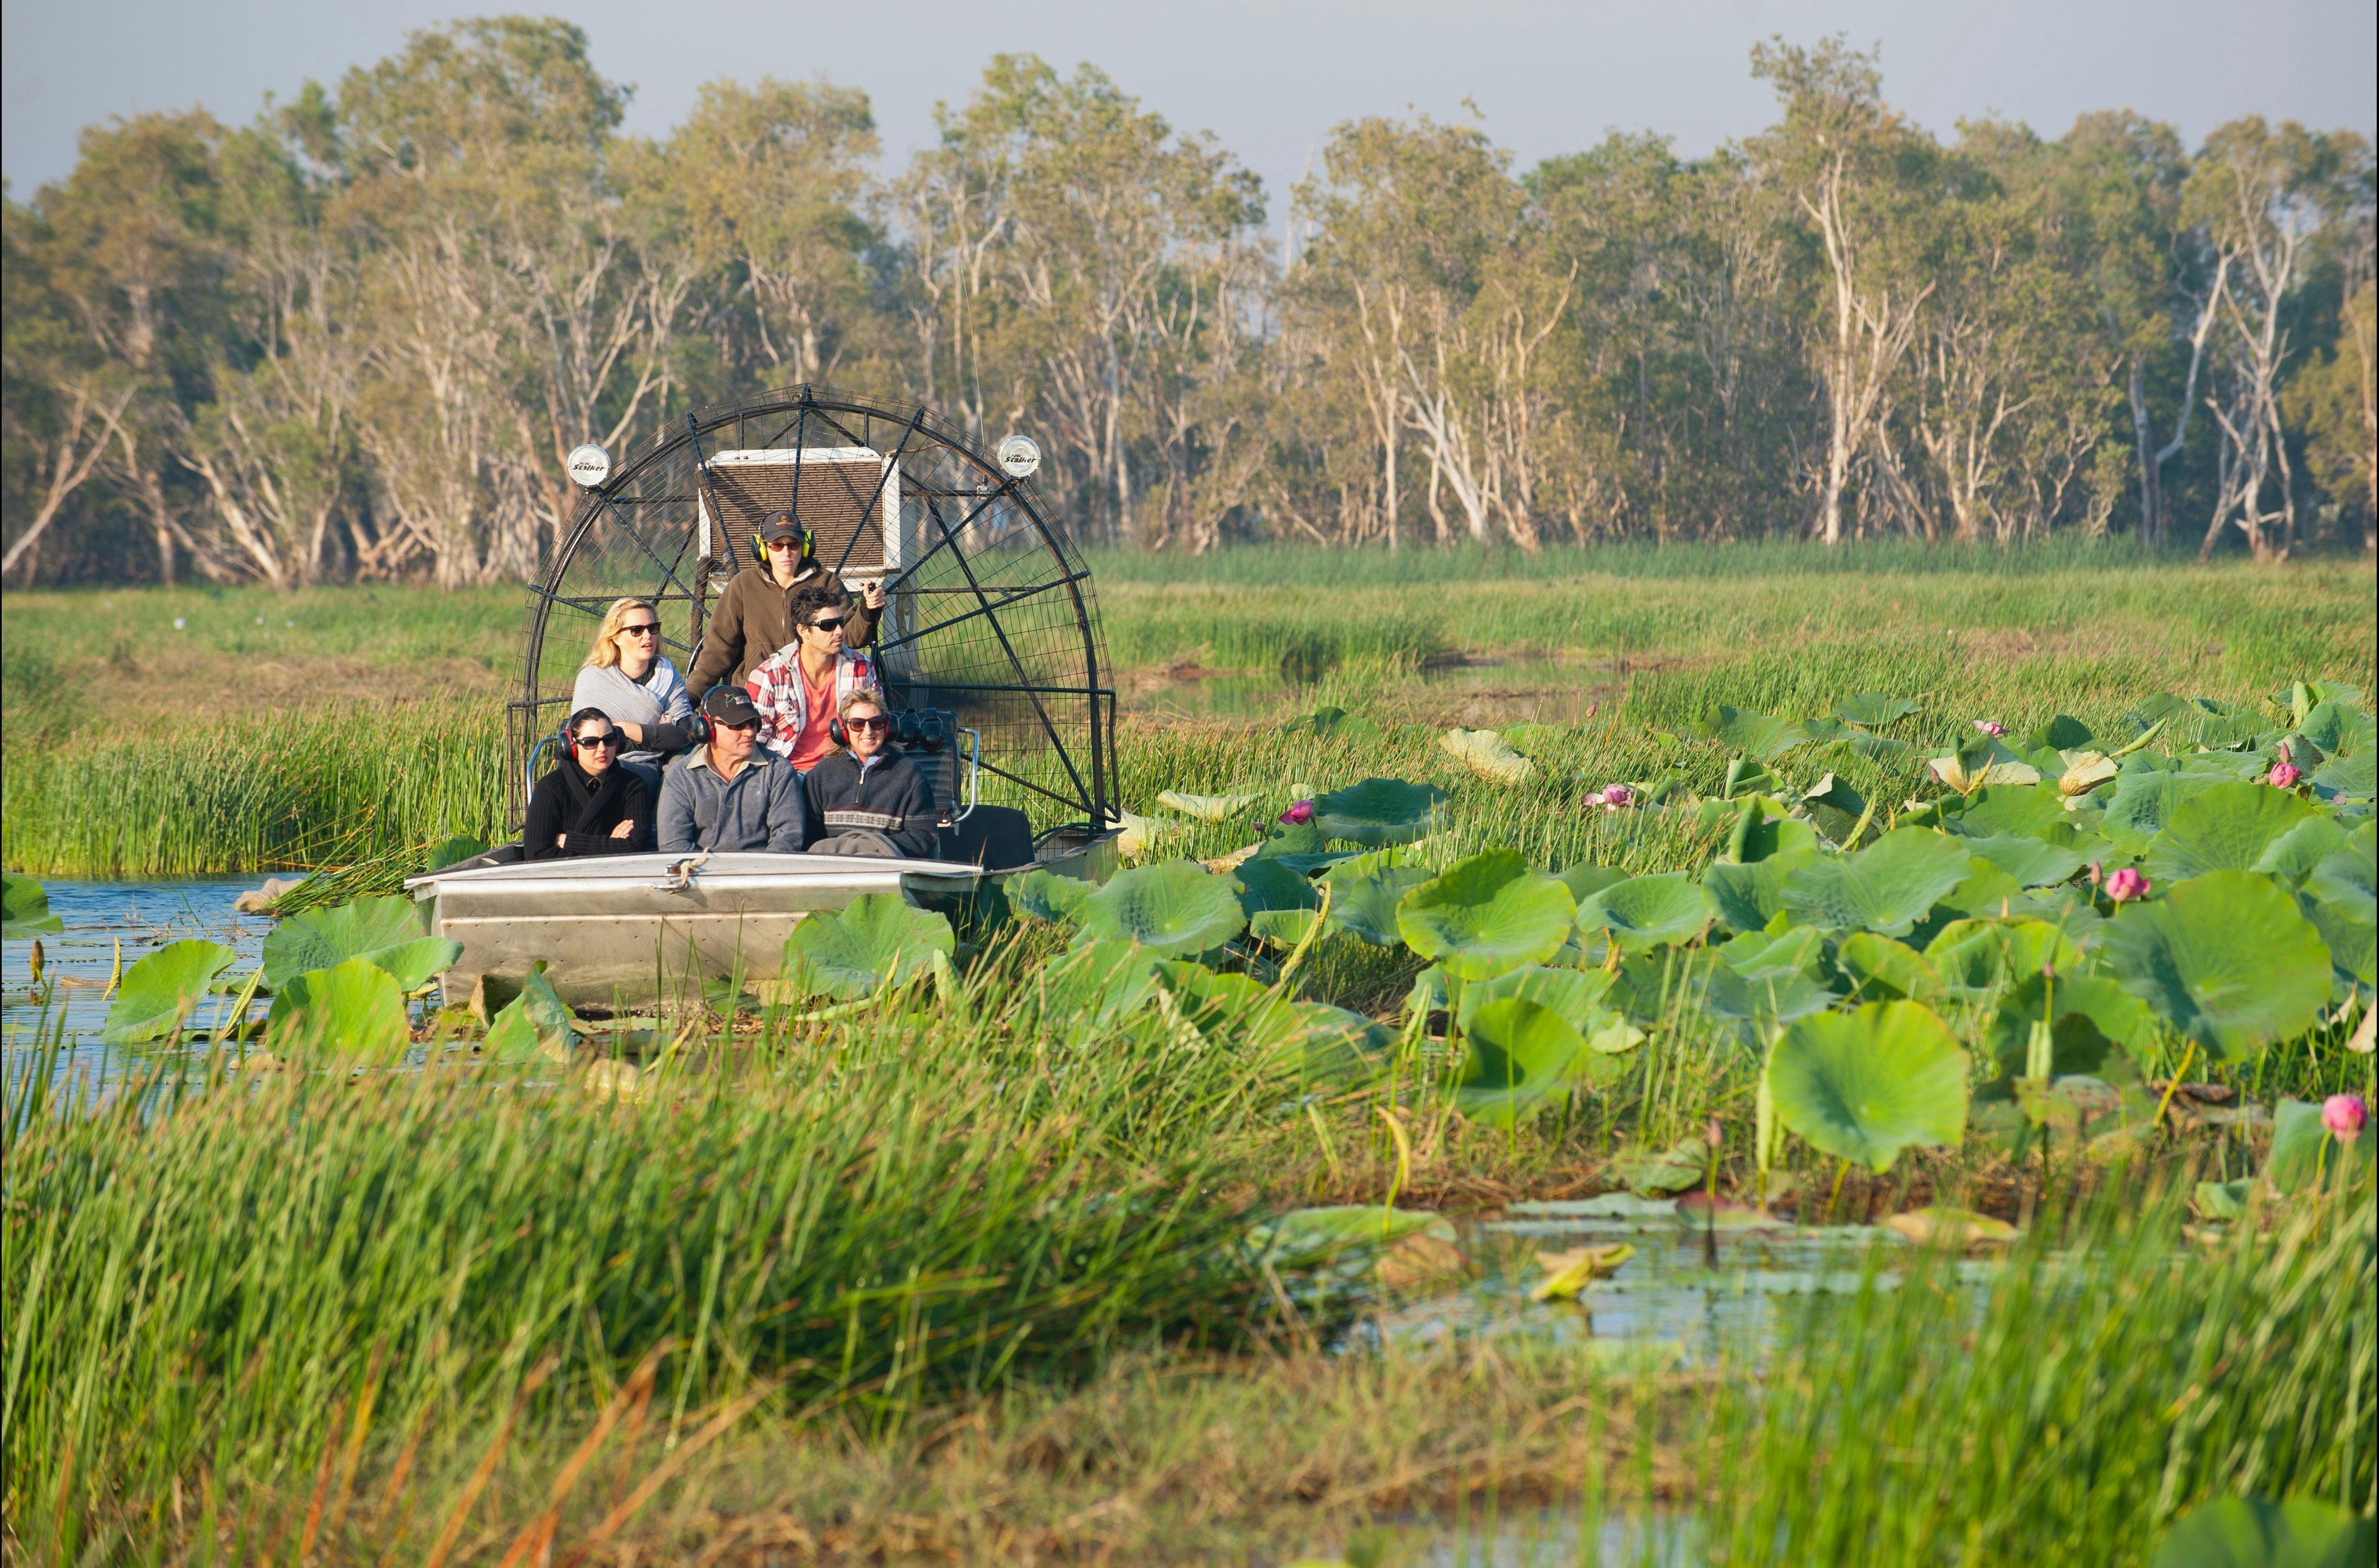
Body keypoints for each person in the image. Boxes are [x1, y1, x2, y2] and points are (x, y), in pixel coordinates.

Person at [686, 508, 884, 697]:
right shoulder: (743, 585)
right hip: (757, 692)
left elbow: (848, 637)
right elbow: (717, 650)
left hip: (813, 690)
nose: (786, 552)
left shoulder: (826, 582)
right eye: (777, 546)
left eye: (794, 544)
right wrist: (691, 697)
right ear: (762, 549)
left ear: (806, 547)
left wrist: (867, 609)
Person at [745, 581, 881, 771]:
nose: (840, 631)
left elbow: (878, 725)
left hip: (847, 769)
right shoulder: (770, 675)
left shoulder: (861, 667)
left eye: (841, 623)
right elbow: (753, 741)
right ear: (803, 631)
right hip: (789, 774)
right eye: (828, 626)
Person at [656, 686, 808, 852]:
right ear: (707, 729)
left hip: (763, 874)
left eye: (752, 723)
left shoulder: (779, 770)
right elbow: (673, 845)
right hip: (700, 874)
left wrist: (761, 873)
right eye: (737, 725)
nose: (749, 732)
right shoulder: (680, 777)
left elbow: (788, 837)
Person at [803, 687, 939, 858]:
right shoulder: (821, 775)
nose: (868, 732)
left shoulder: (910, 774)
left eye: (876, 723)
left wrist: (869, 851)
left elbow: (923, 838)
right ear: (842, 729)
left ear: (887, 727)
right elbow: (808, 837)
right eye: (858, 724)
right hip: (832, 872)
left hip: (887, 873)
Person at [572, 597, 697, 781]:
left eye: (653, 628)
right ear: (616, 637)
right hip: (605, 765)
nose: (648, 636)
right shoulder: (593, 679)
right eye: (637, 630)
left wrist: (626, 729)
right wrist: (660, 735)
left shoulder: (669, 677)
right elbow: (584, 741)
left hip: (655, 766)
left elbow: (685, 735)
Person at [524, 709, 655, 860]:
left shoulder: (633, 786)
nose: (602, 749)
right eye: (590, 742)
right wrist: (612, 845)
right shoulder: (551, 787)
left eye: (609, 740)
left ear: (618, 742)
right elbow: (536, 853)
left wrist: (567, 841)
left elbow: (636, 846)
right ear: (571, 746)